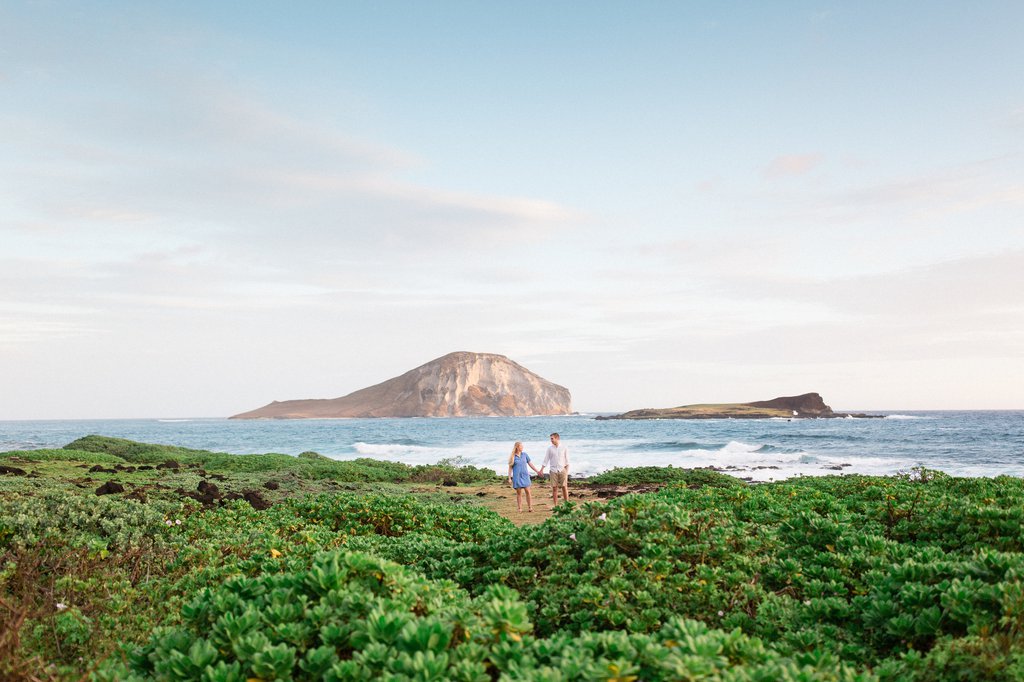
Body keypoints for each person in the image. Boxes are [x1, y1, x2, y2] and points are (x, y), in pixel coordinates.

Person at [507, 441, 541, 512]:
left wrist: (537, 471)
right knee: (519, 493)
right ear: (517, 447)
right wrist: (509, 478)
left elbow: (530, 464)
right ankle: (520, 508)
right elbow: (510, 468)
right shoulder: (513, 457)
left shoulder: (525, 455)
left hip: (525, 476)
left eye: (522, 446)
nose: (522, 447)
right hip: (517, 477)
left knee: (528, 492)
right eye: (521, 446)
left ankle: (530, 507)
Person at [539, 432, 570, 506]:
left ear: (557, 438)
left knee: (564, 487)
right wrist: (541, 469)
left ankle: (567, 504)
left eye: (552, 438)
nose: (551, 440)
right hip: (553, 470)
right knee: (554, 488)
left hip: (562, 470)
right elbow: (546, 459)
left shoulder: (564, 447)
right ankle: (555, 505)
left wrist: (566, 472)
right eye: (551, 439)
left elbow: (567, 460)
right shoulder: (549, 449)